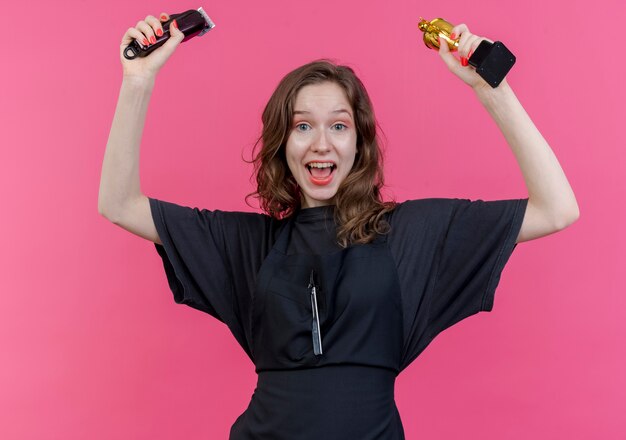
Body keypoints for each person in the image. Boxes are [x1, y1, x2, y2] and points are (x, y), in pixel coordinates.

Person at [98, 11, 579, 440]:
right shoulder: (249, 244)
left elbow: (556, 208)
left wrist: (491, 90)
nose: (321, 143)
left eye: (339, 125)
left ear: (359, 144)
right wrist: (137, 82)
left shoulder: (410, 233)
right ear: (282, 144)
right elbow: (118, 204)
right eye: (302, 125)